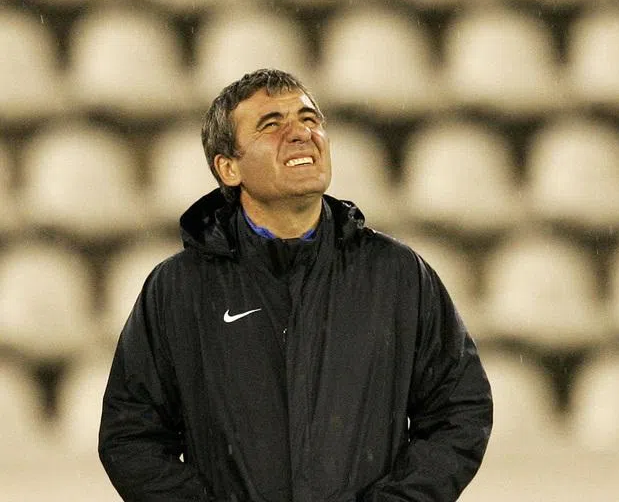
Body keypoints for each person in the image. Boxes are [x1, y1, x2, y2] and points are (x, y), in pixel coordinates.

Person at [99, 68, 493, 502]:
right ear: (228, 168)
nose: (302, 133)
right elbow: (130, 434)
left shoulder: (398, 275)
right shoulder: (178, 289)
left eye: (309, 119)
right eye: (272, 124)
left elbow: (460, 411)